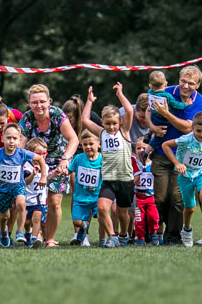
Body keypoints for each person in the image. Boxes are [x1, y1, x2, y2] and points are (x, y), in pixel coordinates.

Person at [147, 66, 202, 244]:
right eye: (183, 81)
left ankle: (173, 235)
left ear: (198, 85)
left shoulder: (198, 101)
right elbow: (148, 109)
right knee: (159, 197)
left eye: (191, 83)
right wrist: (152, 126)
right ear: (178, 79)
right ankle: (155, 234)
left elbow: (188, 128)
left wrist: (166, 113)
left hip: (183, 157)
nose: (186, 86)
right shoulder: (165, 91)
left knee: (177, 198)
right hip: (160, 152)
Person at [20, 84, 79, 247]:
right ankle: (35, 234)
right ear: (29, 103)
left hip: (59, 161)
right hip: (35, 162)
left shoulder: (57, 115)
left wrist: (66, 159)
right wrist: (21, 164)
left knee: (54, 202)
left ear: (49, 101)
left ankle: (50, 239)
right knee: (34, 201)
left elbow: (74, 139)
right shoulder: (27, 118)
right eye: (34, 102)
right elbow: (20, 144)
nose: (38, 105)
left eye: (42, 101)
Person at [162, 110, 202, 248]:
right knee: (190, 208)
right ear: (192, 128)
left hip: (201, 174)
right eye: (199, 131)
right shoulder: (186, 139)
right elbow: (165, 145)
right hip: (185, 176)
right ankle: (186, 230)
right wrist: (177, 163)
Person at [0, 122, 47, 248]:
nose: (11, 141)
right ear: (2, 139)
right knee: (4, 216)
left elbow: (40, 159)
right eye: (8, 138)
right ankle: (3, 232)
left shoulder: (22, 153)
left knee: (21, 203)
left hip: (18, 185)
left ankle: (19, 231)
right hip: (3, 188)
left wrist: (43, 176)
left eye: (15, 138)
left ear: (19, 140)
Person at [97, 91, 137, 248]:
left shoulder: (124, 132)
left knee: (122, 214)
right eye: (107, 123)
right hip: (109, 180)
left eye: (114, 123)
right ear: (102, 122)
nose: (111, 127)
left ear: (120, 122)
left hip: (125, 180)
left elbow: (129, 111)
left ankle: (124, 234)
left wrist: (120, 94)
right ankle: (112, 236)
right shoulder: (101, 134)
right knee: (102, 208)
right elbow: (85, 119)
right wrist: (89, 101)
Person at [59, 130, 104, 247]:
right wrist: (64, 171)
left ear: (99, 144)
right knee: (76, 222)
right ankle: (84, 227)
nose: (88, 147)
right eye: (85, 144)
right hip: (80, 198)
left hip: (96, 197)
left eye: (91, 144)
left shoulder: (102, 160)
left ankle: (103, 240)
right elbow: (70, 170)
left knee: (102, 217)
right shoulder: (78, 158)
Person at [23, 136, 49, 247]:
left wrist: (54, 174)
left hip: (39, 200)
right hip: (27, 200)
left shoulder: (45, 167)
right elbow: (26, 182)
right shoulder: (26, 167)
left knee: (37, 217)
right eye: (39, 153)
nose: (42, 156)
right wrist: (33, 174)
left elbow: (45, 179)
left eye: (44, 154)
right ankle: (28, 233)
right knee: (27, 222)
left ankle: (34, 238)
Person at [131, 144, 159, 245]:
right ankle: (140, 237)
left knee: (153, 217)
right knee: (139, 219)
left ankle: (153, 234)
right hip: (138, 197)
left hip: (151, 197)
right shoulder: (134, 163)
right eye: (138, 148)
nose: (142, 150)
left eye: (144, 148)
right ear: (135, 150)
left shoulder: (153, 164)